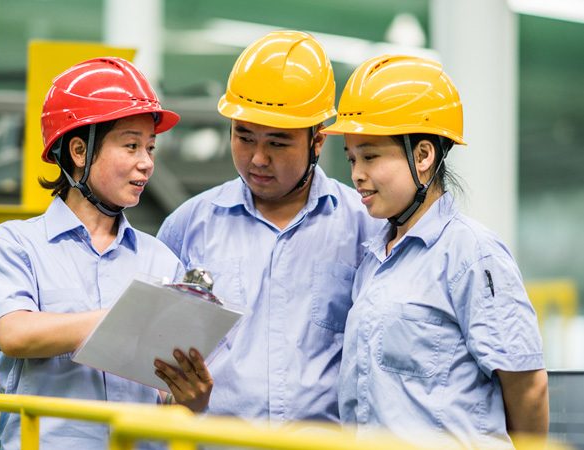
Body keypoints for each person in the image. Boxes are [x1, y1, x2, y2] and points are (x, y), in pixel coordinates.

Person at [0, 57, 212, 449]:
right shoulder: (16, 244)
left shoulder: (160, 259)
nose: (147, 163)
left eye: (150, 148)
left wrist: (194, 399)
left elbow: (171, 399)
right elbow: (15, 333)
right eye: (131, 145)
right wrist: (125, 317)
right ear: (80, 151)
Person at [322, 54, 549, 448]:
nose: (357, 173)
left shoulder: (473, 256)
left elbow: (528, 390)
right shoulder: (374, 259)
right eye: (353, 158)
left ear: (423, 156)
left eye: (371, 156)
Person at [156, 30, 381, 422]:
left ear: (317, 142)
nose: (258, 158)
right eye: (244, 137)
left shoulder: (363, 227)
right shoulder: (190, 225)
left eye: (278, 143)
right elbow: (154, 348)